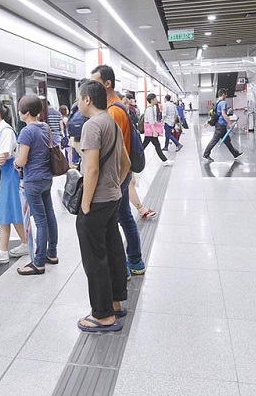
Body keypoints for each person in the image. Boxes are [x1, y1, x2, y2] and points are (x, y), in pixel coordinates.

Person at [75, 80, 131, 332]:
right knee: (113, 249)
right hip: (112, 198)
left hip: (96, 202)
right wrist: (115, 185)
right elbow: (126, 163)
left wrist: (86, 204)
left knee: (94, 258)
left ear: (87, 99)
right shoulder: (112, 122)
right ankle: (115, 302)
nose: (78, 102)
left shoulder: (92, 125)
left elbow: (92, 169)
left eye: (79, 98)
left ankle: (103, 315)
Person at [90, 65, 145, 276]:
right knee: (123, 217)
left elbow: (112, 149)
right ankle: (134, 261)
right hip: (122, 172)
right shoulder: (116, 107)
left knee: (116, 221)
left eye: (95, 82)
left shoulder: (113, 111)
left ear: (107, 83)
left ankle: (127, 265)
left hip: (117, 175)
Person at [14, 94, 59, 275]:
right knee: (50, 215)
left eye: (19, 110)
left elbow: (22, 160)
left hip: (33, 180)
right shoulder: (45, 127)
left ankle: (38, 262)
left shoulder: (27, 132)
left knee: (40, 221)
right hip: (47, 178)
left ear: (25, 113)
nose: (19, 113)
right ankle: (52, 253)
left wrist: (16, 162)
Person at [0, 100, 29, 264]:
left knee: (6, 213)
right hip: (2, 177)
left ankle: (3, 252)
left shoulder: (6, 131)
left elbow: (2, 157)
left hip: (8, 177)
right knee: (11, 212)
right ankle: (26, 244)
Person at [202, 88, 243, 163]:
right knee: (214, 140)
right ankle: (206, 154)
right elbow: (224, 114)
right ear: (223, 94)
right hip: (221, 126)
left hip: (220, 125)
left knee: (227, 141)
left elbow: (214, 114)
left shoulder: (217, 102)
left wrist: (207, 122)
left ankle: (235, 154)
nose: (226, 96)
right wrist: (230, 123)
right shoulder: (223, 103)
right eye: (225, 94)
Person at [143, 93, 169, 165]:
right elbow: (151, 122)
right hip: (151, 131)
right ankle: (164, 160)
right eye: (155, 98)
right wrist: (154, 132)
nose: (157, 100)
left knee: (143, 146)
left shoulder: (152, 108)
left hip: (149, 132)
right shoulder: (150, 109)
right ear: (152, 100)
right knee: (157, 145)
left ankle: (134, 158)